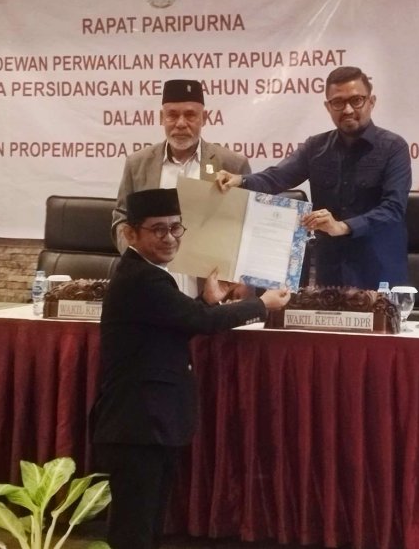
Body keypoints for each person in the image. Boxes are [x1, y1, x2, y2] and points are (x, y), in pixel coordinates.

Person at [92, 188, 290, 549]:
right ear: (130, 234)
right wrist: (261, 304)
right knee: (133, 528)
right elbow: (201, 322)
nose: (169, 238)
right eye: (158, 229)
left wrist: (206, 300)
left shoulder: (149, 274)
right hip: (138, 423)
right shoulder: (142, 277)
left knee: (149, 522)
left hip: (150, 422)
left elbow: (178, 321)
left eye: (175, 228)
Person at [216, 65, 411, 289]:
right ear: (328, 107)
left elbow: (393, 209)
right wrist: (239, 180)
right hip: (330, 274)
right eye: (338, 102)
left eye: (356, 100)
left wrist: (343, 226)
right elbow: (277, 178)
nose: (347, 109)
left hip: (379, 273)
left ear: (371, 101)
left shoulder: (394, 147)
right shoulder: (315, 147)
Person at [111, 78, 251, 296]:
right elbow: (121, 217)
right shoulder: (138, 164)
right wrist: (137, 255)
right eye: (173, 115)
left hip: (211, 289)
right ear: (162, 118)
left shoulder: (232, 164)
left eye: (190, 115)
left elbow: (246, 225)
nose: (181, 123)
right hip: (151, 286)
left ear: (204, 118)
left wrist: (240, 276)